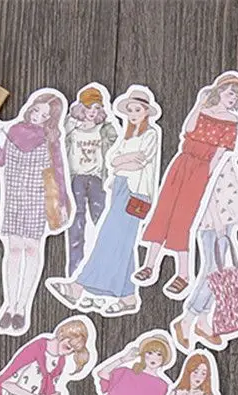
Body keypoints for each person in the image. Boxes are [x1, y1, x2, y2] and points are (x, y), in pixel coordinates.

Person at [135, 72, 238, 297]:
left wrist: (207, 173)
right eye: (229, 93)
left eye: (235, 96)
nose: (232, 98)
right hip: (183, 161)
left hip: (202, 167)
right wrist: (199, 104)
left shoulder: (233, 121)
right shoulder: (204, 110)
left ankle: (183, 274)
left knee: (184, 218)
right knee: (164, 210)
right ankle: (149, 264)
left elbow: (221, 151)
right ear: (219, 92)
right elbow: (189, 129)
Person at [47, 87, 162, 316]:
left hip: (136, 192)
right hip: (119, 186)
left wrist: (123, 161)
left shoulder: (151, 134)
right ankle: (128, 297)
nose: (133, 115)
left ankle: (78, 287)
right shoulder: (128, 135)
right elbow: (113, 160)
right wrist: (124, 161)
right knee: (123, 242)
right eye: (130, 110)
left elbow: (139, 161)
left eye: (137, 110)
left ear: (146, 112)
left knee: (111, 237)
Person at [171, 114, 238, 351]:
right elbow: (207, 189)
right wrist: (216, 220)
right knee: (213, 270)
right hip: (214, 221)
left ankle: (202, 320)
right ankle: (187, 319)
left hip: (225, 219)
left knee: (218, 269)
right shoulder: (215, 157)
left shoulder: (227, 161)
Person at [0, 89, 72, 334]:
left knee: (32, 248)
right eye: (36, 110)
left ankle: (22, 307)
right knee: (13, 249)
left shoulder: (50, 138)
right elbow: (2, 161)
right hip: (13, 196)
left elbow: (58, 169)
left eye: (44, 115)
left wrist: (62, 201)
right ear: (30, 108)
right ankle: (10, 304)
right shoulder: (13, 130)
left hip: (38, 197)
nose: (37, 116)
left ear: (50, 119)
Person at [62, 84, 119, 275]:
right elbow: (57, 140)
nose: (92, 111)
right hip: (76, 178)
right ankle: (75, 269)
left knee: (102, 219)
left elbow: (118, 141)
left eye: (97, 107)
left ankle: (107, 267)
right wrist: (71, 125)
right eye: (88, 107)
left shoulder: (105, 129)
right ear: (81, 107)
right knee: (76, 223)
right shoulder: (71, 127)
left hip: (96, 178)